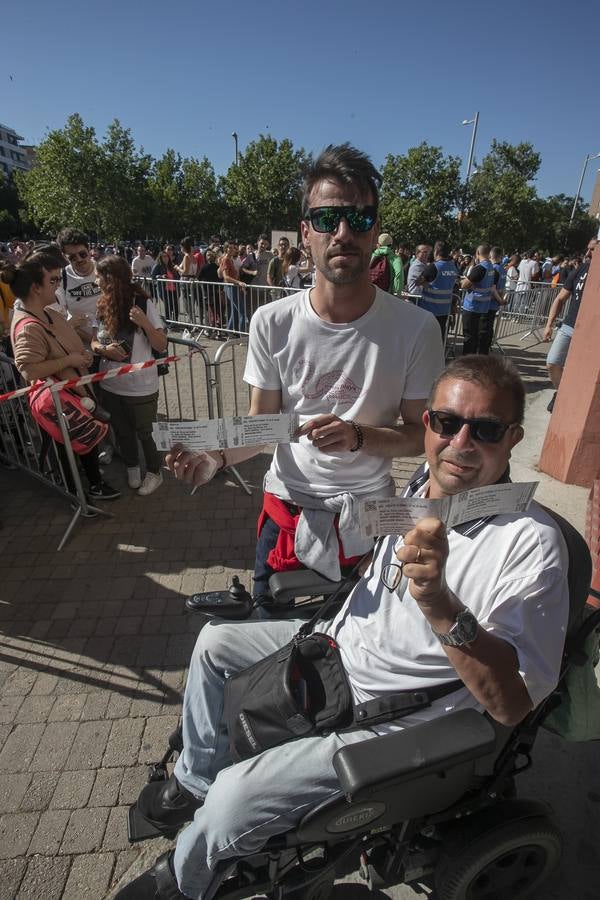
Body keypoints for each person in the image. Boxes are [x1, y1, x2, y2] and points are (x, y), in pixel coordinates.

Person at [118, 354, 569, 900]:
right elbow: (367, 542)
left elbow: (511, 705)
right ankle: (192, 781)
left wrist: (440, 604)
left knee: (233, 801)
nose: (462, 443)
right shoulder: (427, 482)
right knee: (216, 643)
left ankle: (184, 882)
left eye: (487, 429)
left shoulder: (530, 543)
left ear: (514, 437)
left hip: (400, 712)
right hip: (340, 645)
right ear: (427, 425)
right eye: (448, 423)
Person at [169, 143, 443, 612]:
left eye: (358, 219)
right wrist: (214, 457)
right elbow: (263, 424)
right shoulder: (271, 322)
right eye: (326, 219)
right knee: (268, 648)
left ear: (375, 231)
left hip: (367, 519)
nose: (342, 233)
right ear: (305, 232)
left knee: (350, 665)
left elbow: (420, 437)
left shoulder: (415, 328)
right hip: (285, 514)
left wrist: (358, 436)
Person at [4, 247, 120, 501]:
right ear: (36, 287)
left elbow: (60, 342)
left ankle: (90, 485)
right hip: (61, 402)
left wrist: (82, 354)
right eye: (54, 280)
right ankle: (78, 493)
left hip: (72, 397)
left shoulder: (45, 312)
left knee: (81, 445)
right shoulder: (28, 326)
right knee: (68, 449)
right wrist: (71, 359)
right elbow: (28, 368)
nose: (58, 286)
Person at [91, 255, 167, 495]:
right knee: (122, 432)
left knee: (147, 434)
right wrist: (103, 350)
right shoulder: (102, 304)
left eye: (98, 275)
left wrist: (145, 323)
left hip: (140, 386)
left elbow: (162, 344)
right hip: (110, 384)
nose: (95, 279)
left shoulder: (142, 303)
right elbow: (93, 341)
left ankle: (155, 472)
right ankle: (132, 467)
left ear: (111, 279)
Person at [542, 238, 597, 413]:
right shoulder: (581, 269)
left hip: (591, 333)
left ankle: (571, 399)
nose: (587, 254)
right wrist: (549, 324)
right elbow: (560, 298)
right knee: (552, 362)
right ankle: (562, 392)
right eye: (588, 249)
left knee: (582, 372)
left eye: (592, 250)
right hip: (569, 326)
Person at [54, 228, 101, 347]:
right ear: (65, 257)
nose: (79, 259)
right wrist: (93, 342)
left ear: (89, 250)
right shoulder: (61, 277)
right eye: (72, 257)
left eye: (82, 254)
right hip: (81, 347)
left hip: (112, 342)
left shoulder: (105, 270)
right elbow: (61, 320)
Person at [460, 243, 503, 355]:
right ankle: (475, 360)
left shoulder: (479, 268)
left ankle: (467, 361)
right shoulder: (492, 269)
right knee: (477, 336)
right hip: (483, 308)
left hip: (472, 307)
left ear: (478, 253)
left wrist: (462, 281)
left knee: (469, 336)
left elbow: (464, 285)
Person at [419, 240, 459, 338]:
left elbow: (418, 281)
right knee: (440, 335)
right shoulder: (453, 266)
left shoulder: (434, 266)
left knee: (428, 337)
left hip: (430, 309)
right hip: (445, 309)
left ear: (436, 251)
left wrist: (425, 283)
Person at [479, 245, 507, 355]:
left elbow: (493, 288)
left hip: (490, 302)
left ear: (491, 255)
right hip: (495, 302)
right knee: (489, 327)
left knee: (485, 328)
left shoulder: (494, 269)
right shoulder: (502, 269)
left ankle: (483, 352)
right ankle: (485, 349)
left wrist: (500, 300)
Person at [219, 241, 247, 334]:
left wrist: (239, 284)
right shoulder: (226, 260)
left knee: (235, 312)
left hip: (233, 287)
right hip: (230, 287)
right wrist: (239, 283)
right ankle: (242, 336)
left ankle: (228, 333)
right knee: (242, 313)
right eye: (229, 247)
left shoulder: (230, 259)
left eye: (233, 248)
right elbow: (226, 277)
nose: (232, 249)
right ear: (226, 249)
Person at [151, 246, 180, 321]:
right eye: (163, 257)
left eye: (166, 256)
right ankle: (168, 322)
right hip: (165, 290)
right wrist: (160, 276)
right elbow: (152, 275)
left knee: (175, 306)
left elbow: (177, 276)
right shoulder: (158, 266)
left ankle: (176, 321)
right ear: (160, 258)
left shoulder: (171, 265)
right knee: (168, 306)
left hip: (174, 289)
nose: (165, 258)